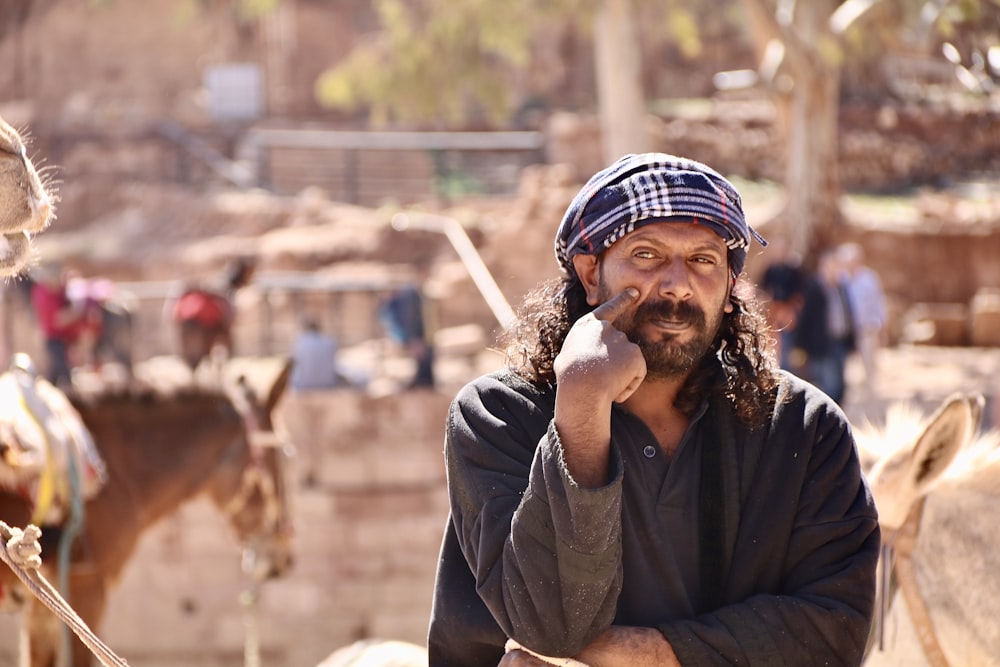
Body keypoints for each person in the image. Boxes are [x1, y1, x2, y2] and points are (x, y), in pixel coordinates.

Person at [427, 153, 879, 666]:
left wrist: (649, 654)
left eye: (704, 260)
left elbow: (834, 631)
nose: (677, 284)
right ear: (591, 273)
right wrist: (580, 409)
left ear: (731, 286)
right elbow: (550, 625)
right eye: (647, 254)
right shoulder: (498, 416)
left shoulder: (804, 428)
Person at [791, 249, 855, 405]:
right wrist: (799, 345)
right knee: (829, 385)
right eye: (832, 265)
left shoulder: (841, 288)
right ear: (824, 266)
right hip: (822, 344)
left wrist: (851, 340)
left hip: (840, 341)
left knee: (840, 384)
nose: (836, 269)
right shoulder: (814, 288)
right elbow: (805, 318)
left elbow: (848, 313)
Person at [286, 315, 341, 486]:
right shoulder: (330, 343)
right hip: (325, 392)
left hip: (304, 394)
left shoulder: (299, 343)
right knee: (320, 434)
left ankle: (307, 473)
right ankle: (319, 473)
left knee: (305, 435)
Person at [29, 263, 100, 389]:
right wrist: (77, 311)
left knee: (57, 373)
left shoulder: (63, 291)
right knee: (62, 372)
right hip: (53, 338)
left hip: (68, 338)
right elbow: (58, 320)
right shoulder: (43, 294)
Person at [838, 242, 887, 393]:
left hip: (867, 328)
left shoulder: (869, 278)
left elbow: (879, 302)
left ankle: (870, 392)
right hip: (847, 330)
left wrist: (882, 326)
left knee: (869, 362)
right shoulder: (840, 279)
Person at [758, 236, 804, 370]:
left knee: (788, 348)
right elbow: (764, 290)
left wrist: (790, 310)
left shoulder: (794, 270)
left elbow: (799, 295)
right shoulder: (770, 270)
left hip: (789, 314)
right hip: (773, 313)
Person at [379, 280, 436, 389]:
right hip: (418, 337)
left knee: (424, 360)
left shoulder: (410, 298)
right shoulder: (398, 302)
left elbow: (412, 319)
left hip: (420, 337)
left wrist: (415, 338)